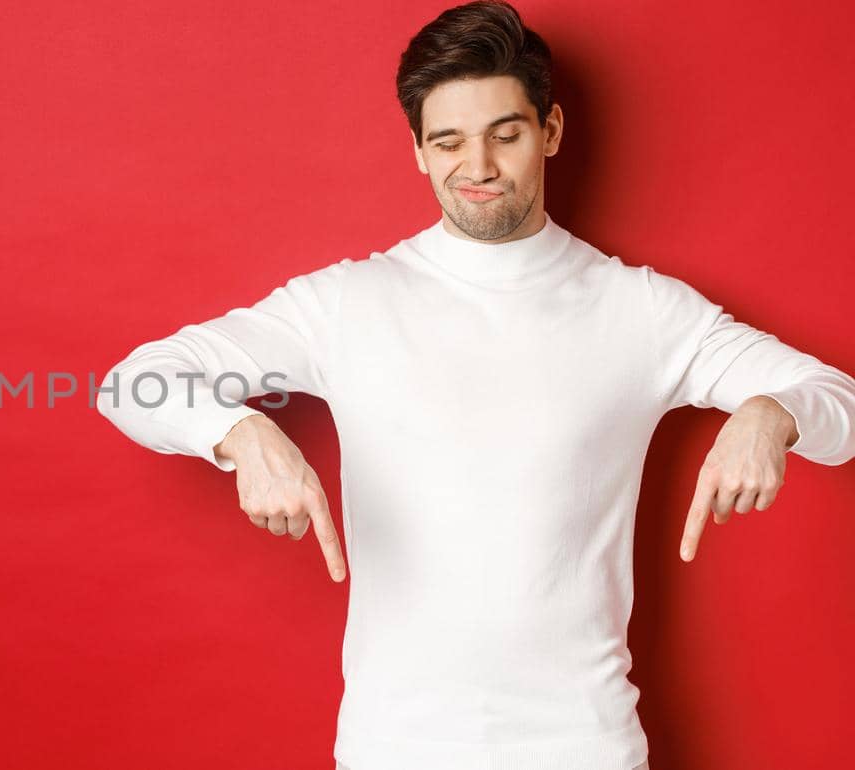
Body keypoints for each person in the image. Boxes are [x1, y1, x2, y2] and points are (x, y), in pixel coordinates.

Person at [92, 2, 855, 768]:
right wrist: (239, 434)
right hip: (394, 747)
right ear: (419, 152)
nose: (479, 167)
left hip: (585, 746)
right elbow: (133, 383)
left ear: (549, 131)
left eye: (506, 134)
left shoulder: (642, 310)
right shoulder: (346, 304)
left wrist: (771, 411)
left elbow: (841, 404)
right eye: (449, 141)